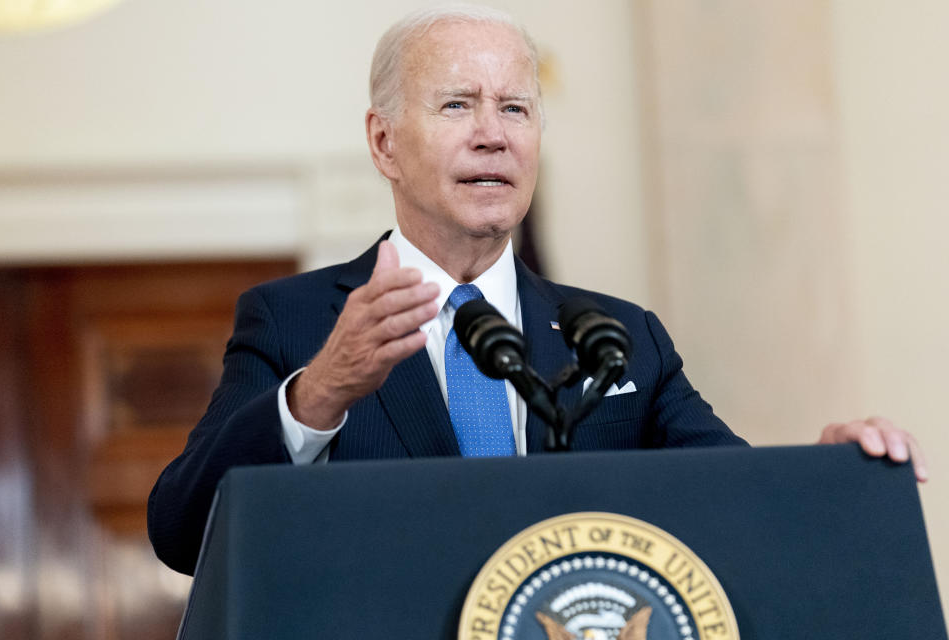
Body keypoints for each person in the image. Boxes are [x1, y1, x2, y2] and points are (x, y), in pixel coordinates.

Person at [147, 4, 927, 576]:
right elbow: (182, 532)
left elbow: (733, 502)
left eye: (515, 108)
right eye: (458, 105)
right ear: (384, 142)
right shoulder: (295, 322)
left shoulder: (620, 337)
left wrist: (823, 477)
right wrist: (317, 395)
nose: (494, 133)